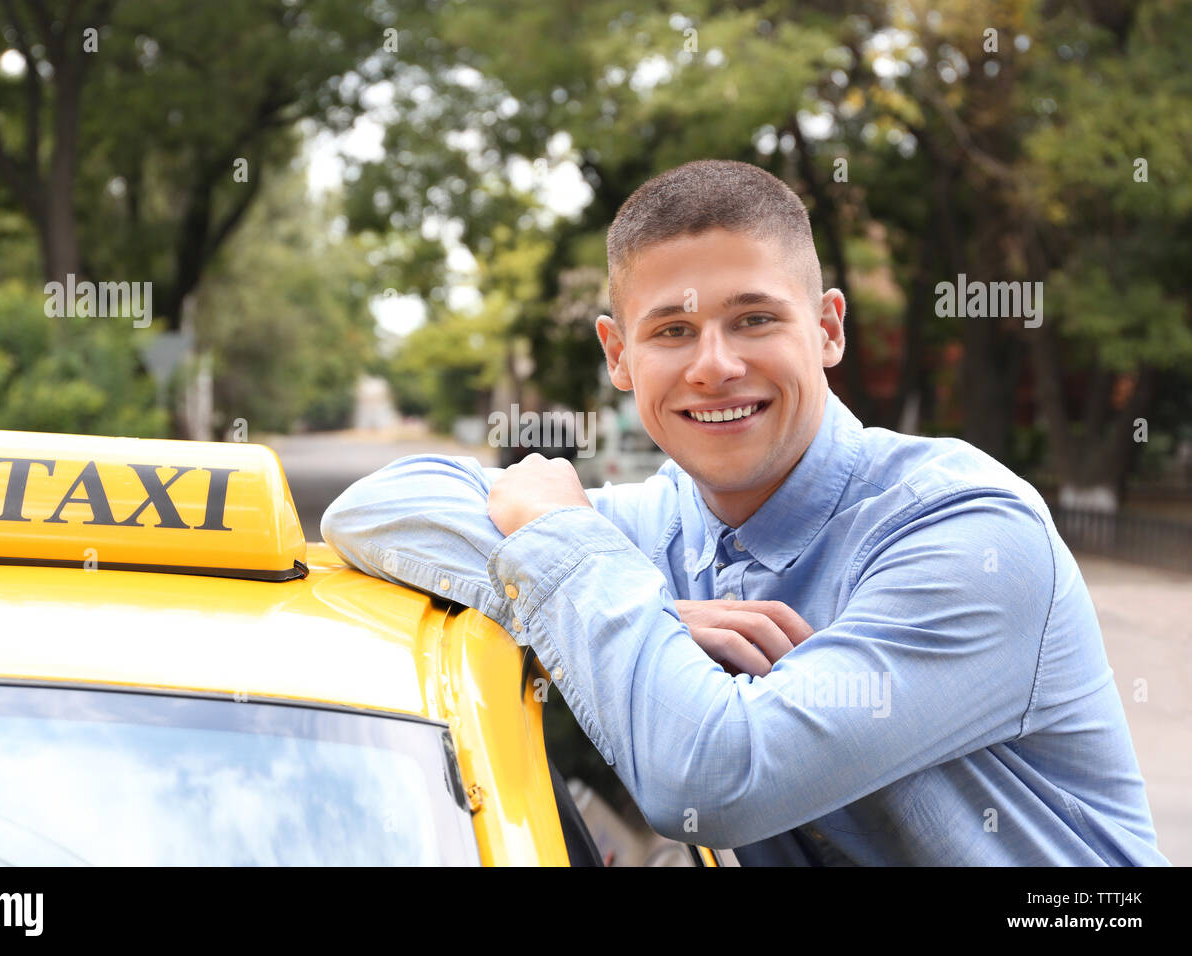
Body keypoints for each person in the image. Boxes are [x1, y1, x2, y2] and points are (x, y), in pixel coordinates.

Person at [321, 159, 1168, 866]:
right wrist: (634, 609)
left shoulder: (966, 532)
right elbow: (377, 508)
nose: (714, 366)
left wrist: (576, 571)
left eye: (754, 318)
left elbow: (718, 777)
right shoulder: (651, 532)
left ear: (828, 329)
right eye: (673, 331)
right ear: (619, 355)